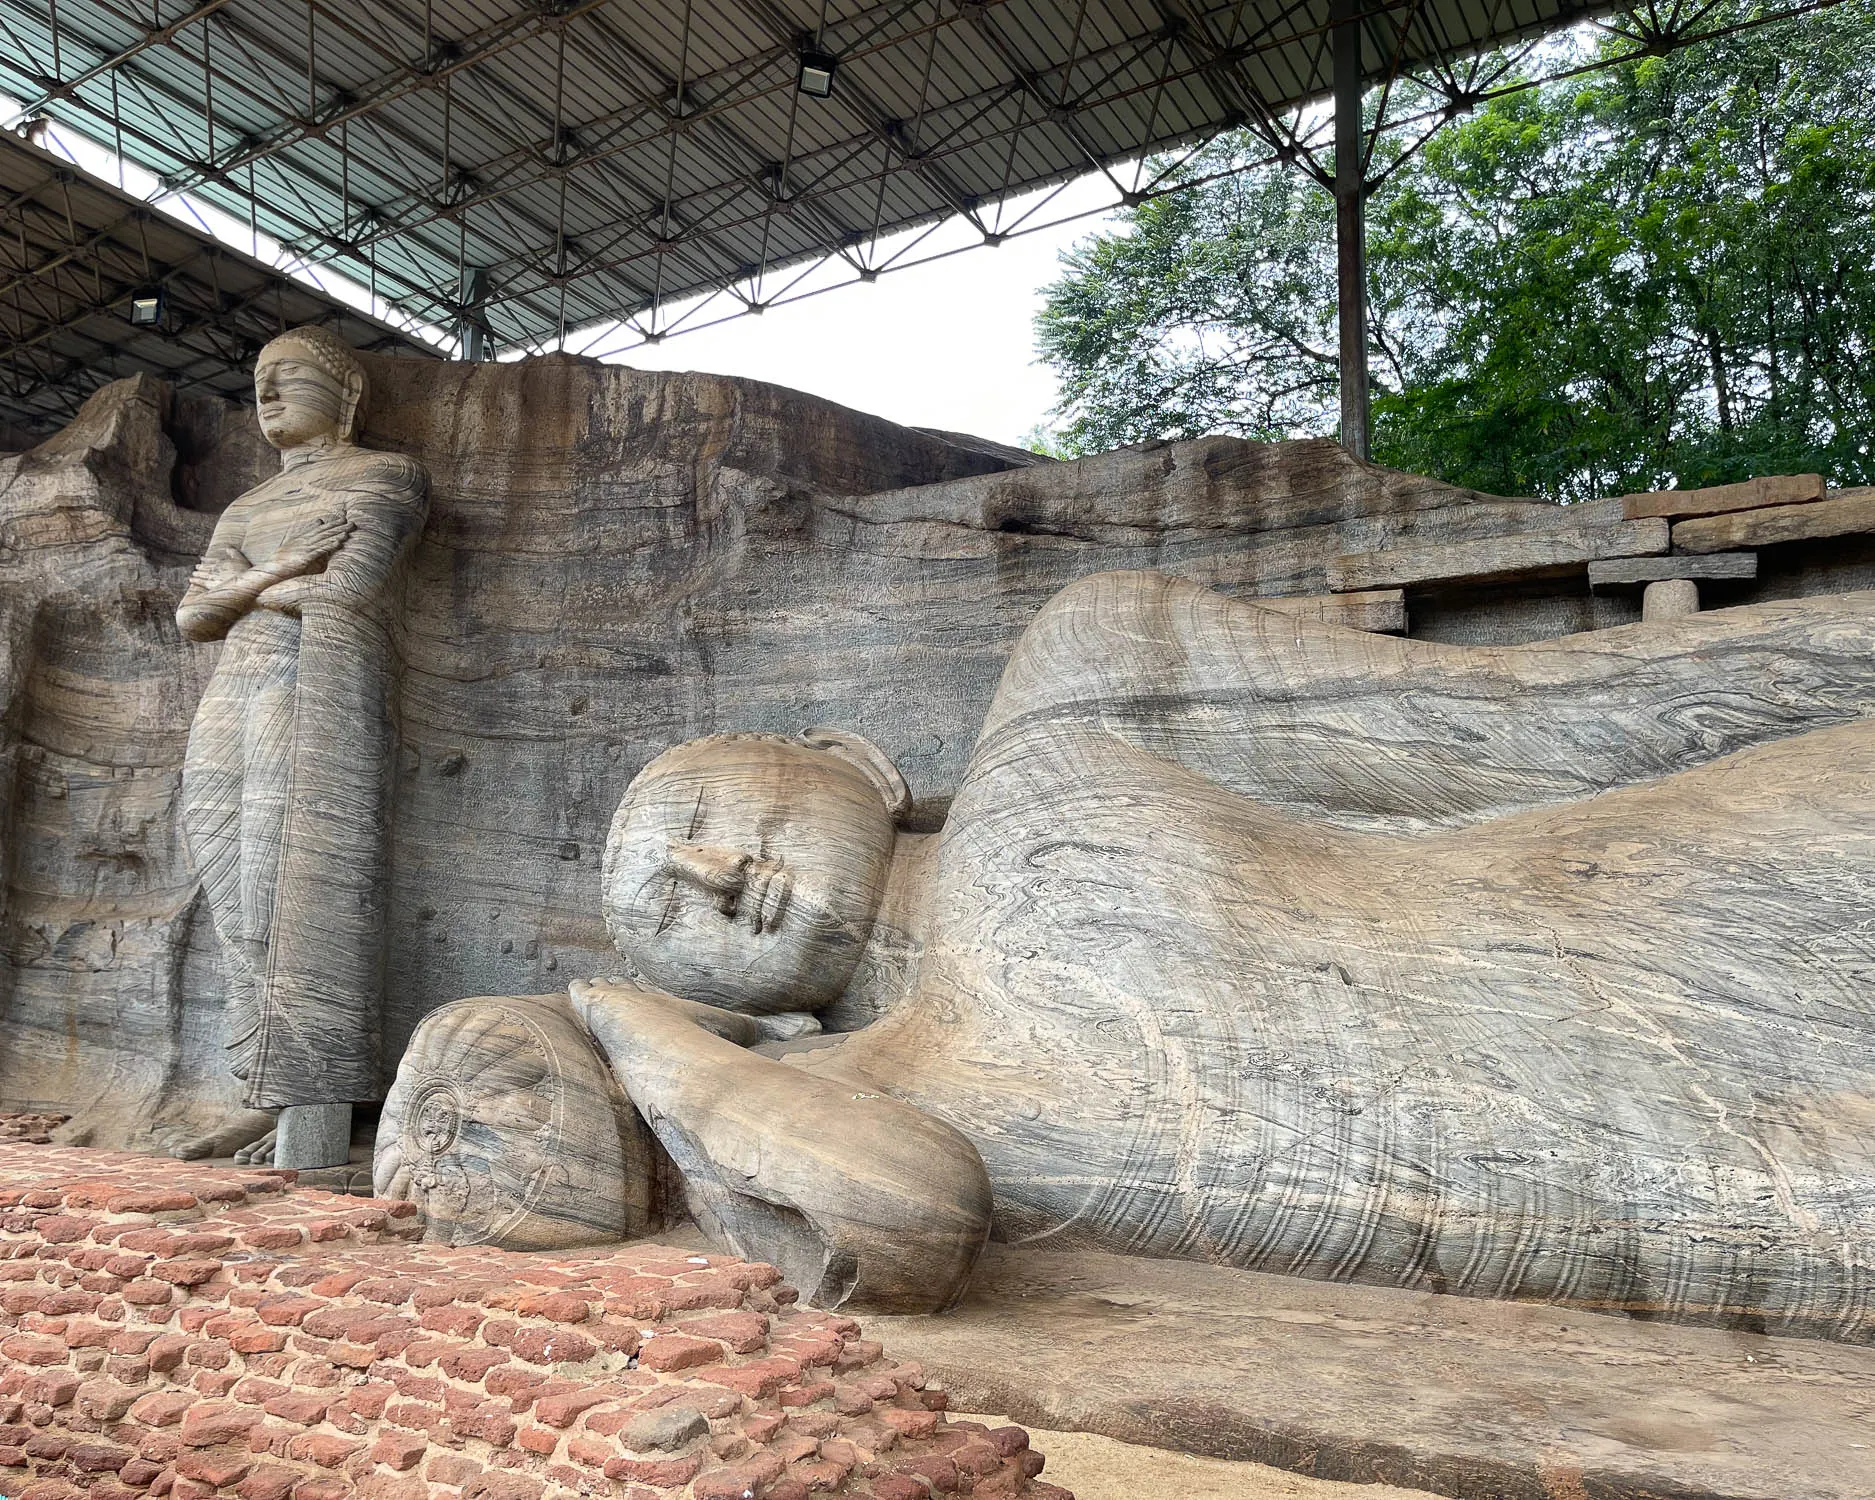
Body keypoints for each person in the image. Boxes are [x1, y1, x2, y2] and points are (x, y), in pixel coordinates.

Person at [393, 569, 1875, 1333]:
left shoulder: (1074, 694)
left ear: (849, 757)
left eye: (707, 812)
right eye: (666, 914)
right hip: (1779, 1185)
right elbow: (890, 1220)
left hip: (1759, 883)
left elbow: (1533, 721)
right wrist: (624, 1020)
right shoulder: (876, 1095)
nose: (715, 876)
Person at [174, 326, 428, 1168]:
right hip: (232, 695)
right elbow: (192, 617)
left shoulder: (384, 476)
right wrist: (273, 572)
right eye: (258, 382)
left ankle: (310, 1110)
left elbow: (348, 592)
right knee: (225, 882)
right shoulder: (247, 510)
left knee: (283, 887)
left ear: (347, 395)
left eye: (286, 377)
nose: (267, 396)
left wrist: (254, 590)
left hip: (307, 690)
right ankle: (263, 1088)